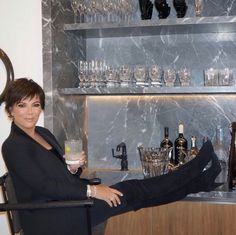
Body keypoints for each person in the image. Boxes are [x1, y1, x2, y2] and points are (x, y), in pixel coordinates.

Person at [1, 78, 221, 235]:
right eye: (22, 105)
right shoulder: (13, 146)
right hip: (50, 218)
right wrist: (94, 190)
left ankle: (200, 181)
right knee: (136, 190)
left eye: (35, 105)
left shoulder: (43, 133)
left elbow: (59, 174)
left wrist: (72, 168)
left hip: (68, 203)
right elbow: (45, 186)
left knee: (141, 196)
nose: (30, 112)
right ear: (11, 110)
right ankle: (196, 169)